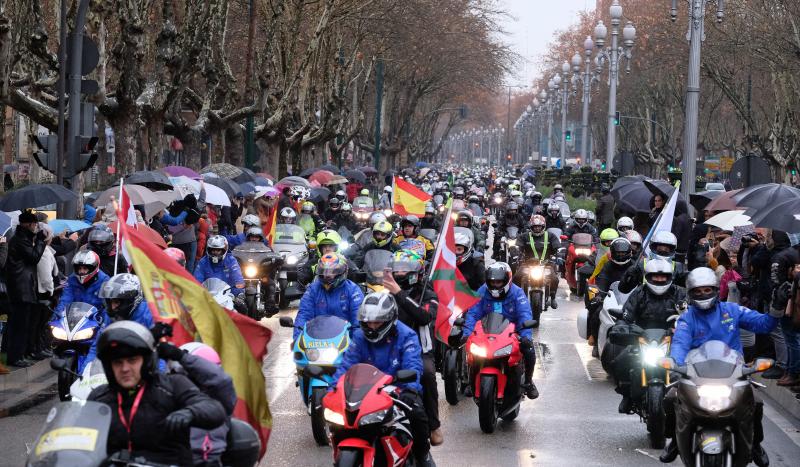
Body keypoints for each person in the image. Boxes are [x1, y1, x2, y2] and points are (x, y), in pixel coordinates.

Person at [660, 267, 782, 466]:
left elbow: (764, 324)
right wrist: (676, 364)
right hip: (696, 376)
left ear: (716, 290)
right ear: (690, 294)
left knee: (757, 403)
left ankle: (755, 444)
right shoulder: (686, 318)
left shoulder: (732, 310)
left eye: (707, 290)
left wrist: (777, 306)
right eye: (698, 291)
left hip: (733, 375)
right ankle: (674, 441)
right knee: (670, 398)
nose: (703, 294)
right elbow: (680, 344)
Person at [88, 321, 227, 465]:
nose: (125, 368)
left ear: (146, 361)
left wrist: (191, 412)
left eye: (132, 360)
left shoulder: (172, 386)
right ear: (109, 367)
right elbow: (78, 441)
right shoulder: (99, 398)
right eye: (118, 362)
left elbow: (214, 409)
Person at [331, 293, 434, 467]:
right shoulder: (359, 337)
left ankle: (424, 455)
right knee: (340, 423)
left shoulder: (407, 336)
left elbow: (413, 365)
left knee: (417, 413)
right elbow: (346, 365)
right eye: (368, 323)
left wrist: (409, 388)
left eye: (377, 322)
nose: (371, 327)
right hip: (365, 394)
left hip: (397, 391)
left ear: (389, 320)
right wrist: (333, 389)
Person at [382, 250, 443, 446]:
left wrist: (399, 294)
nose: (400, 274)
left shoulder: (428, 294)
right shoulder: (386, 294)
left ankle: (434, 426)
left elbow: (424, 317)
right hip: (390, 348)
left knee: (427, 374)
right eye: (396, 270)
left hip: (420, 350)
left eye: (405, 270)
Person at [613, 259, 687, 414]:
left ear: (670, 277)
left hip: (674, 339)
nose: (659, 280)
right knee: (620, 361)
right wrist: (621, 327)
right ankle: (627, 395)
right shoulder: (639, 293)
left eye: (663, 277)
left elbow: (694, 315)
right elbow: (626, 317)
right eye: (655, 277)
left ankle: (689, 398)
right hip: (642, 338)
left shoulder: (681, 293)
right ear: (648, 277)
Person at [462, 262, 539, 399]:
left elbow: (524, 314)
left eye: (499, 282)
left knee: (529, 349)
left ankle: (528, 382)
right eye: (493, 282)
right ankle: (470, 380)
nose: (496, 285)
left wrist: (525, 335)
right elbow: (473, 313)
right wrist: (467, 333)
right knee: (469, 350)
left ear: (507, 280)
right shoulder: (482, 291)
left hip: (511, 333)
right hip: (486, 333)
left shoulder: (517, 293)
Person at [158, 340, 237, 467]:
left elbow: (221, 380)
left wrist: (182, 357)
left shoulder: (220, 399)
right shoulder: (169, 392)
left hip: (207, 462)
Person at [3, 211, 47, 367]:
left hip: (23, 287)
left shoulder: (23, 238)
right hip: (21, 288)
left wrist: (36, 239)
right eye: (34, 224)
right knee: (19, 325)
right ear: (27, 224)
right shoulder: (20, 240)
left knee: (22, 323)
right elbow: (34, 257)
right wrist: (41, 242)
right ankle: (16, 357)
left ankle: (18, 355)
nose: (36, 227)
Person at [294, 252, 364, 341]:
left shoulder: (353, 290)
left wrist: (356, 344)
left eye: (333, 271)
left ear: (344, 271)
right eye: (324, 270)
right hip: (316, 342)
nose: (327, 275)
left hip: (346, 342)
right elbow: (303, 315)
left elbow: (358, 321)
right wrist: (298, 339)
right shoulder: (313, 289)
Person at [619, 231, 686, 294]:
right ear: (652, 247)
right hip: (644, 303)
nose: (663, 251)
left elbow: (685, 292)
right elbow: (624, 290)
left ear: (672, 249)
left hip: (670, 304)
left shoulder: (678, 267)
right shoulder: (641, 265)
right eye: (660, 248)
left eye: (666, 249)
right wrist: (628, 276)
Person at [517, 214, 561, 309]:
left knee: (554, 279)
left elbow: (557, 247)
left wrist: (560, 254)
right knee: (517, 277)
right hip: (528, 264)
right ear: (531, 227)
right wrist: (516, 253)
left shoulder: (550, 236)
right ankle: (516, 298)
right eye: (535, 227)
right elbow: (518, 246)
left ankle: (552, 298)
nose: (537, 228)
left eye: (539, 226)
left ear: (543, 226)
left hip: (546, 264)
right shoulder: (524, 236)